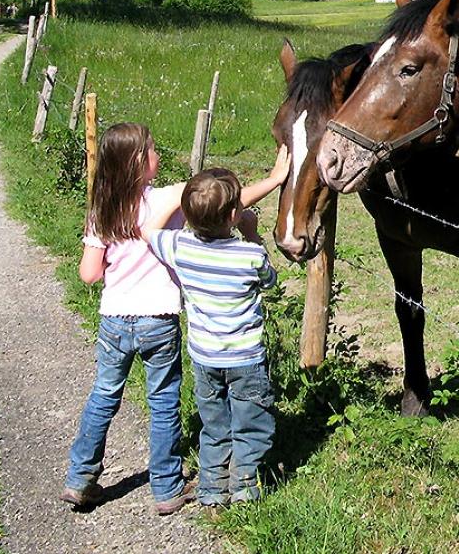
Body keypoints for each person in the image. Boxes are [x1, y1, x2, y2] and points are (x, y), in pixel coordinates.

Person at [143, 147, 290, 513]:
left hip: (204, 358)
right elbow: (269, 281)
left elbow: (148, 230)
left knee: (214, 425)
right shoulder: (249, 255)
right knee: (251, 422)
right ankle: (243, 488)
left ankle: (211, 490)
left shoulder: (179, 247)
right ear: (234, 215)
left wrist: (181, 199)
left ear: (189, 216)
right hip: (246, 359)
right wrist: (253, 233)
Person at [60, 122, 194, 516]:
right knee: (164, 400)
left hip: (116, 318)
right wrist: (274, 178)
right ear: (139, 162)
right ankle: (167, 488)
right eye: (152, 149)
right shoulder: (166, 199)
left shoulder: (102, 208)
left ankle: (80, 479)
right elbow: (213, 191)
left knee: (105, 394)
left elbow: (88, 273)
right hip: (159, 317)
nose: (158, 154)